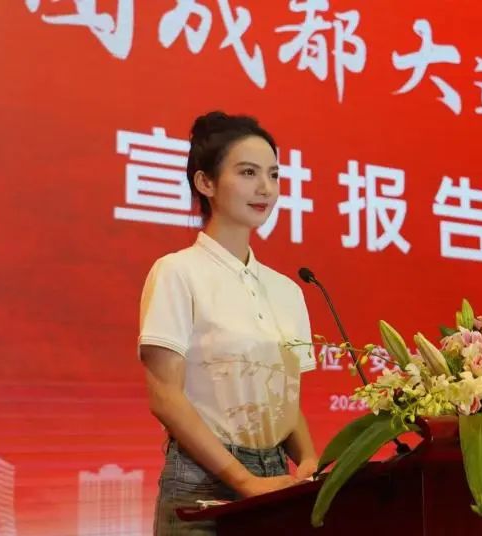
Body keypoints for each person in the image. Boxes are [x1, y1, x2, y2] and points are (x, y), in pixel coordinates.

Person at [138, 111, 318, 535]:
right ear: (205, 183)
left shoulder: (288, 290)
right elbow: (165, 397)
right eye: (248, 172)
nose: (266, 188)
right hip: (202, 483)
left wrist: (310, 461)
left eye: (273, 175)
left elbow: (283, 399)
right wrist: (243, 480)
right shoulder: (177, 272)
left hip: (276, 477)